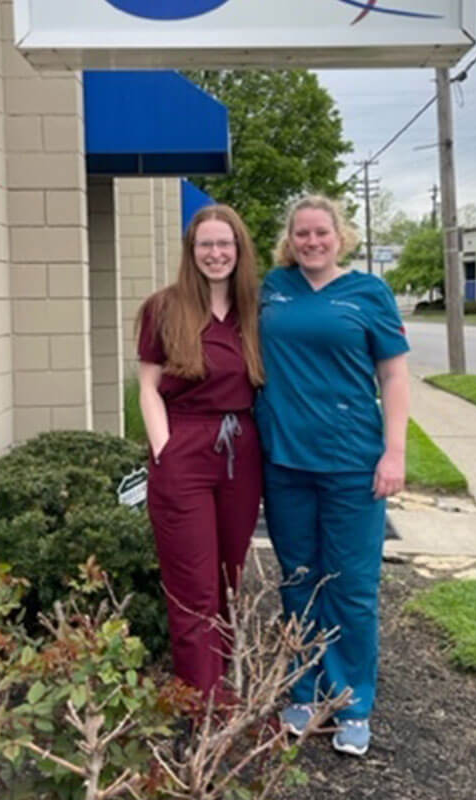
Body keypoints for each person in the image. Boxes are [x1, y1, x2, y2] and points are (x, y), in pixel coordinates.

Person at [254, 195, 410, 756]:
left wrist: (394, 453)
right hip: (286, 461)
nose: (312, 242)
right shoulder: (271, 289)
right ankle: (301, 689)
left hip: (352, 462)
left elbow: (392, 375)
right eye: (302, 234)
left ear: (339, 237)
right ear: (290, 240)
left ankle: (350, 703)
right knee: (298, 579)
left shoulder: (369, 293)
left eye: (322, 233)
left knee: (352, 584)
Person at [136, 204, 264, 696]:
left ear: (239, 250)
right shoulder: (163, 308)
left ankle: (221, 677)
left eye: (224, 243)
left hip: (241, 452)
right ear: (192, 251)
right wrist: (165, 450)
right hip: (185, 446)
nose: (216, 253)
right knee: (194, 581)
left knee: (228, 575)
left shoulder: (253, 311)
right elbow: (148, 388)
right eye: (206, 244)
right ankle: (201, 697)